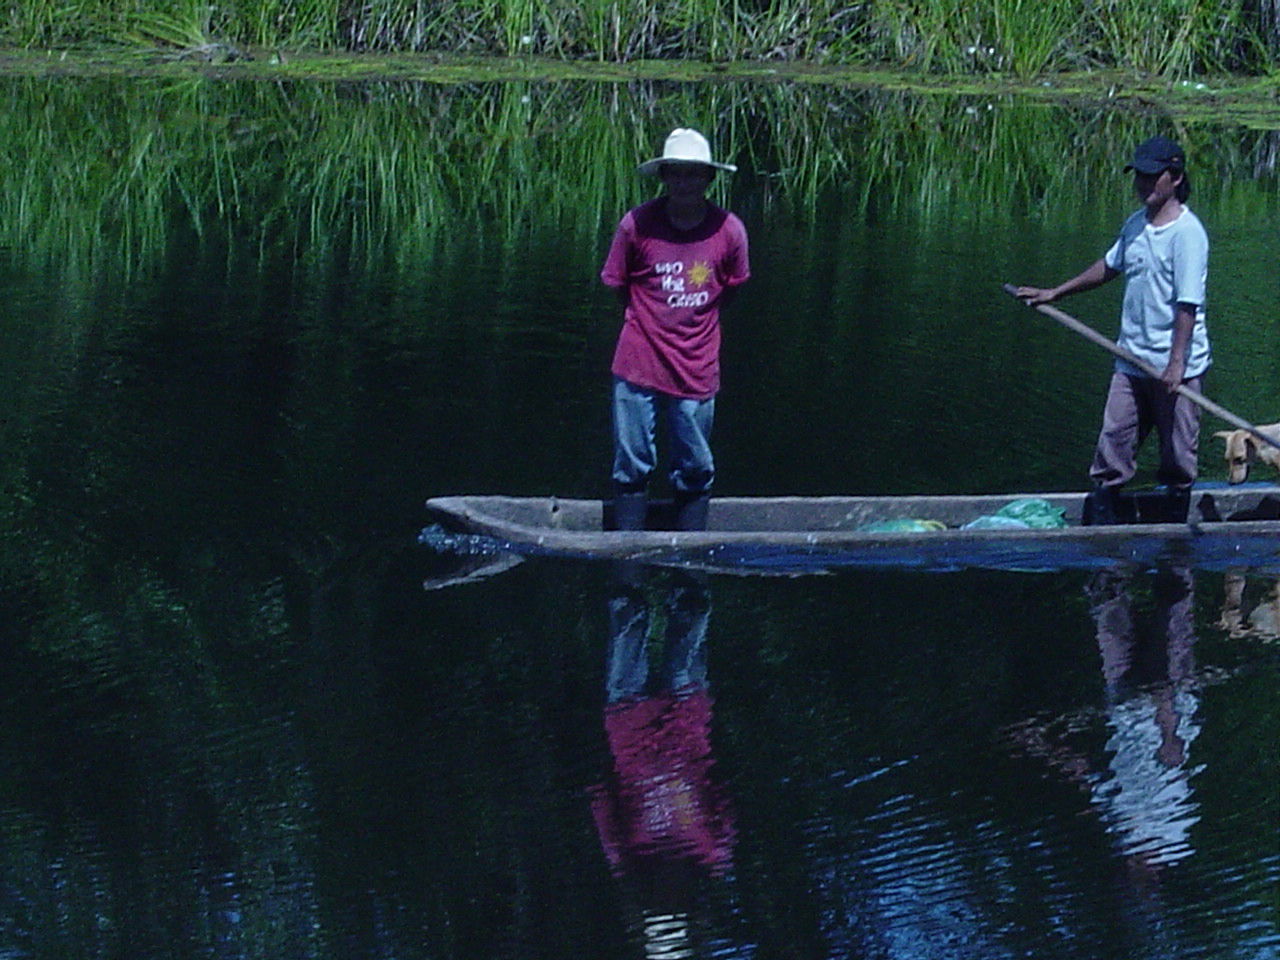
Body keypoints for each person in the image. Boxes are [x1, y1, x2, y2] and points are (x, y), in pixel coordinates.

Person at [1015, 135, 1210, 524]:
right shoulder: (1136, 224)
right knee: (1114, 443)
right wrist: (1056, 292)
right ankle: (1102, 513)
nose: (1142, 184)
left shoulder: (1188, 234)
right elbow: (1109, 265)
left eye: (1151, 177)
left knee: (1177, 455)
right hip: (1131, 359)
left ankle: (1173, 517)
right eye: (1138, 176)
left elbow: (1187, 305)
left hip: (1176, 368)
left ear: (1174, 178)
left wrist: (1176, 365)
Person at [600, 128, 750, 531]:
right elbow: (617, 283)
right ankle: (627, 567)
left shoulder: (729, 230)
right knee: (632, 463)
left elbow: (733, 286)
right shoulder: (637, 224)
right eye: (676, 174)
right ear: (664, 177)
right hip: (638, 360)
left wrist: (692, 326)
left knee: (695, 465)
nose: (685, 183)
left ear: (708, 179)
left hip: (696, 364)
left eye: (694, 174)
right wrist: (649, 322)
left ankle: (690, 569)